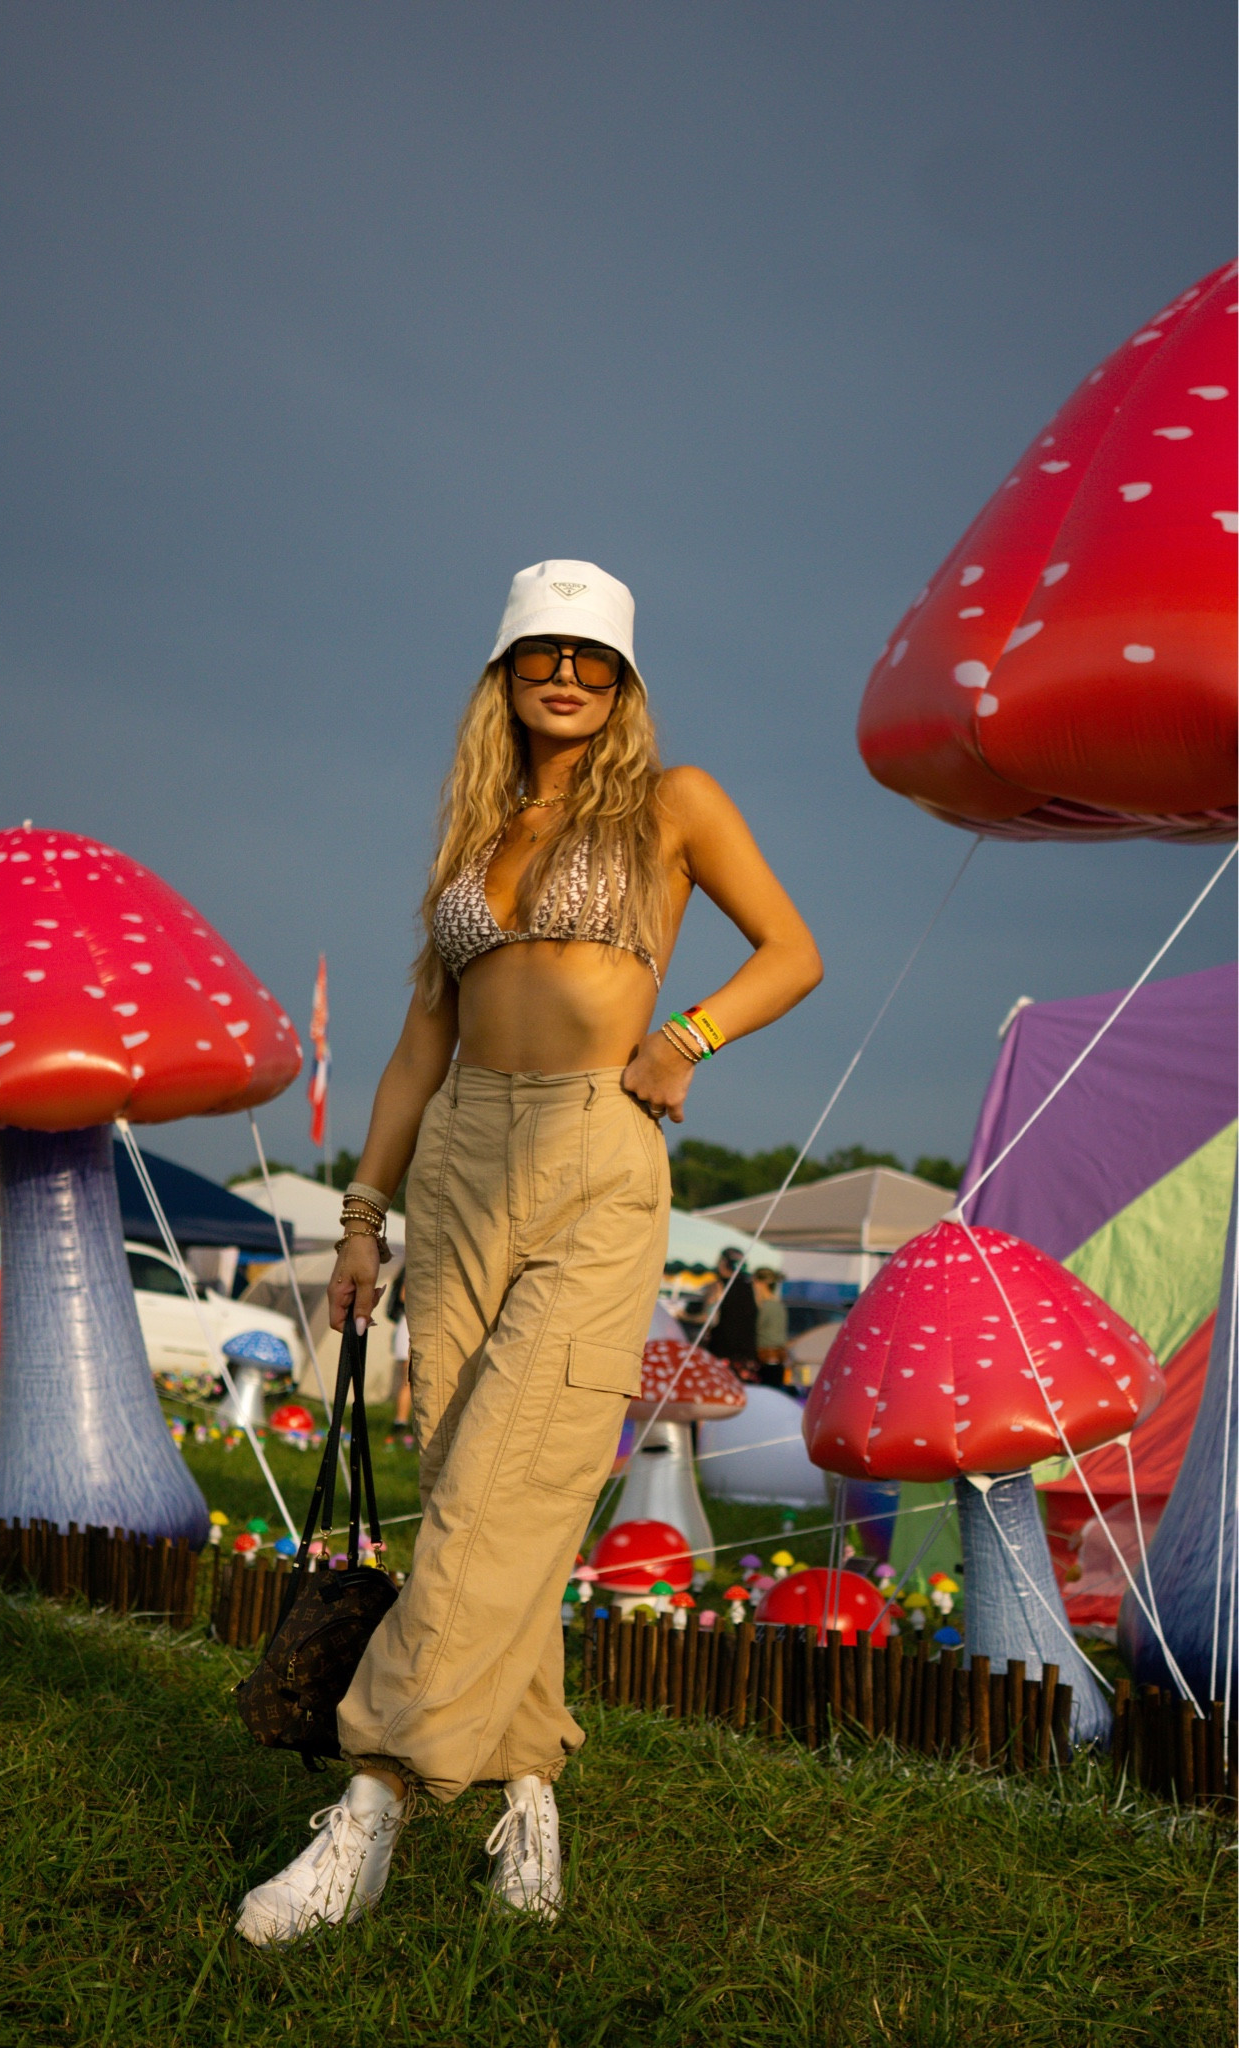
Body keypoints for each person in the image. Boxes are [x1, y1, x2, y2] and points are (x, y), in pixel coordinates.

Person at [236, 559, 822, 1945]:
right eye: (538, 654)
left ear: (623, 683)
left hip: (591, 1152)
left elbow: (789, 950)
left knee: (518, 1471)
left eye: (593, 660)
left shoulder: (675, 804)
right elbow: (418, 1045)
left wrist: (689, 1036)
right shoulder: (476, 833)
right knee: (465, 1483)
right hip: (455, 1161)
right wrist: (364, 1215)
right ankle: (529, 1784)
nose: (565, 675)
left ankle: (368, 1807)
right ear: (502, 673)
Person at [698, 1247, 761, 1382]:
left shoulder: (718, 1286)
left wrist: (683, 1316)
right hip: (746, 1355)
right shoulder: (752, 1288)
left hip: (722, 1350)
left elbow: (709, 1318)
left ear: (723, 1263)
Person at [382, 1269, 415, 1450]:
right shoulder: (412, 1268)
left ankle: (405, 1423)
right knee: (409, 1379)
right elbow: (404, 1296)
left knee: (411, 1380)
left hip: (410, 1324)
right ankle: (400, 1422)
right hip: (409, 1325)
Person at [753, 1266, 789, 1389]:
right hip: (779, 1356)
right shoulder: (779, 1305)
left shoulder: (765, 1306)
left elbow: (756, 1327)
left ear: (761, 1283)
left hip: (765, 1355)